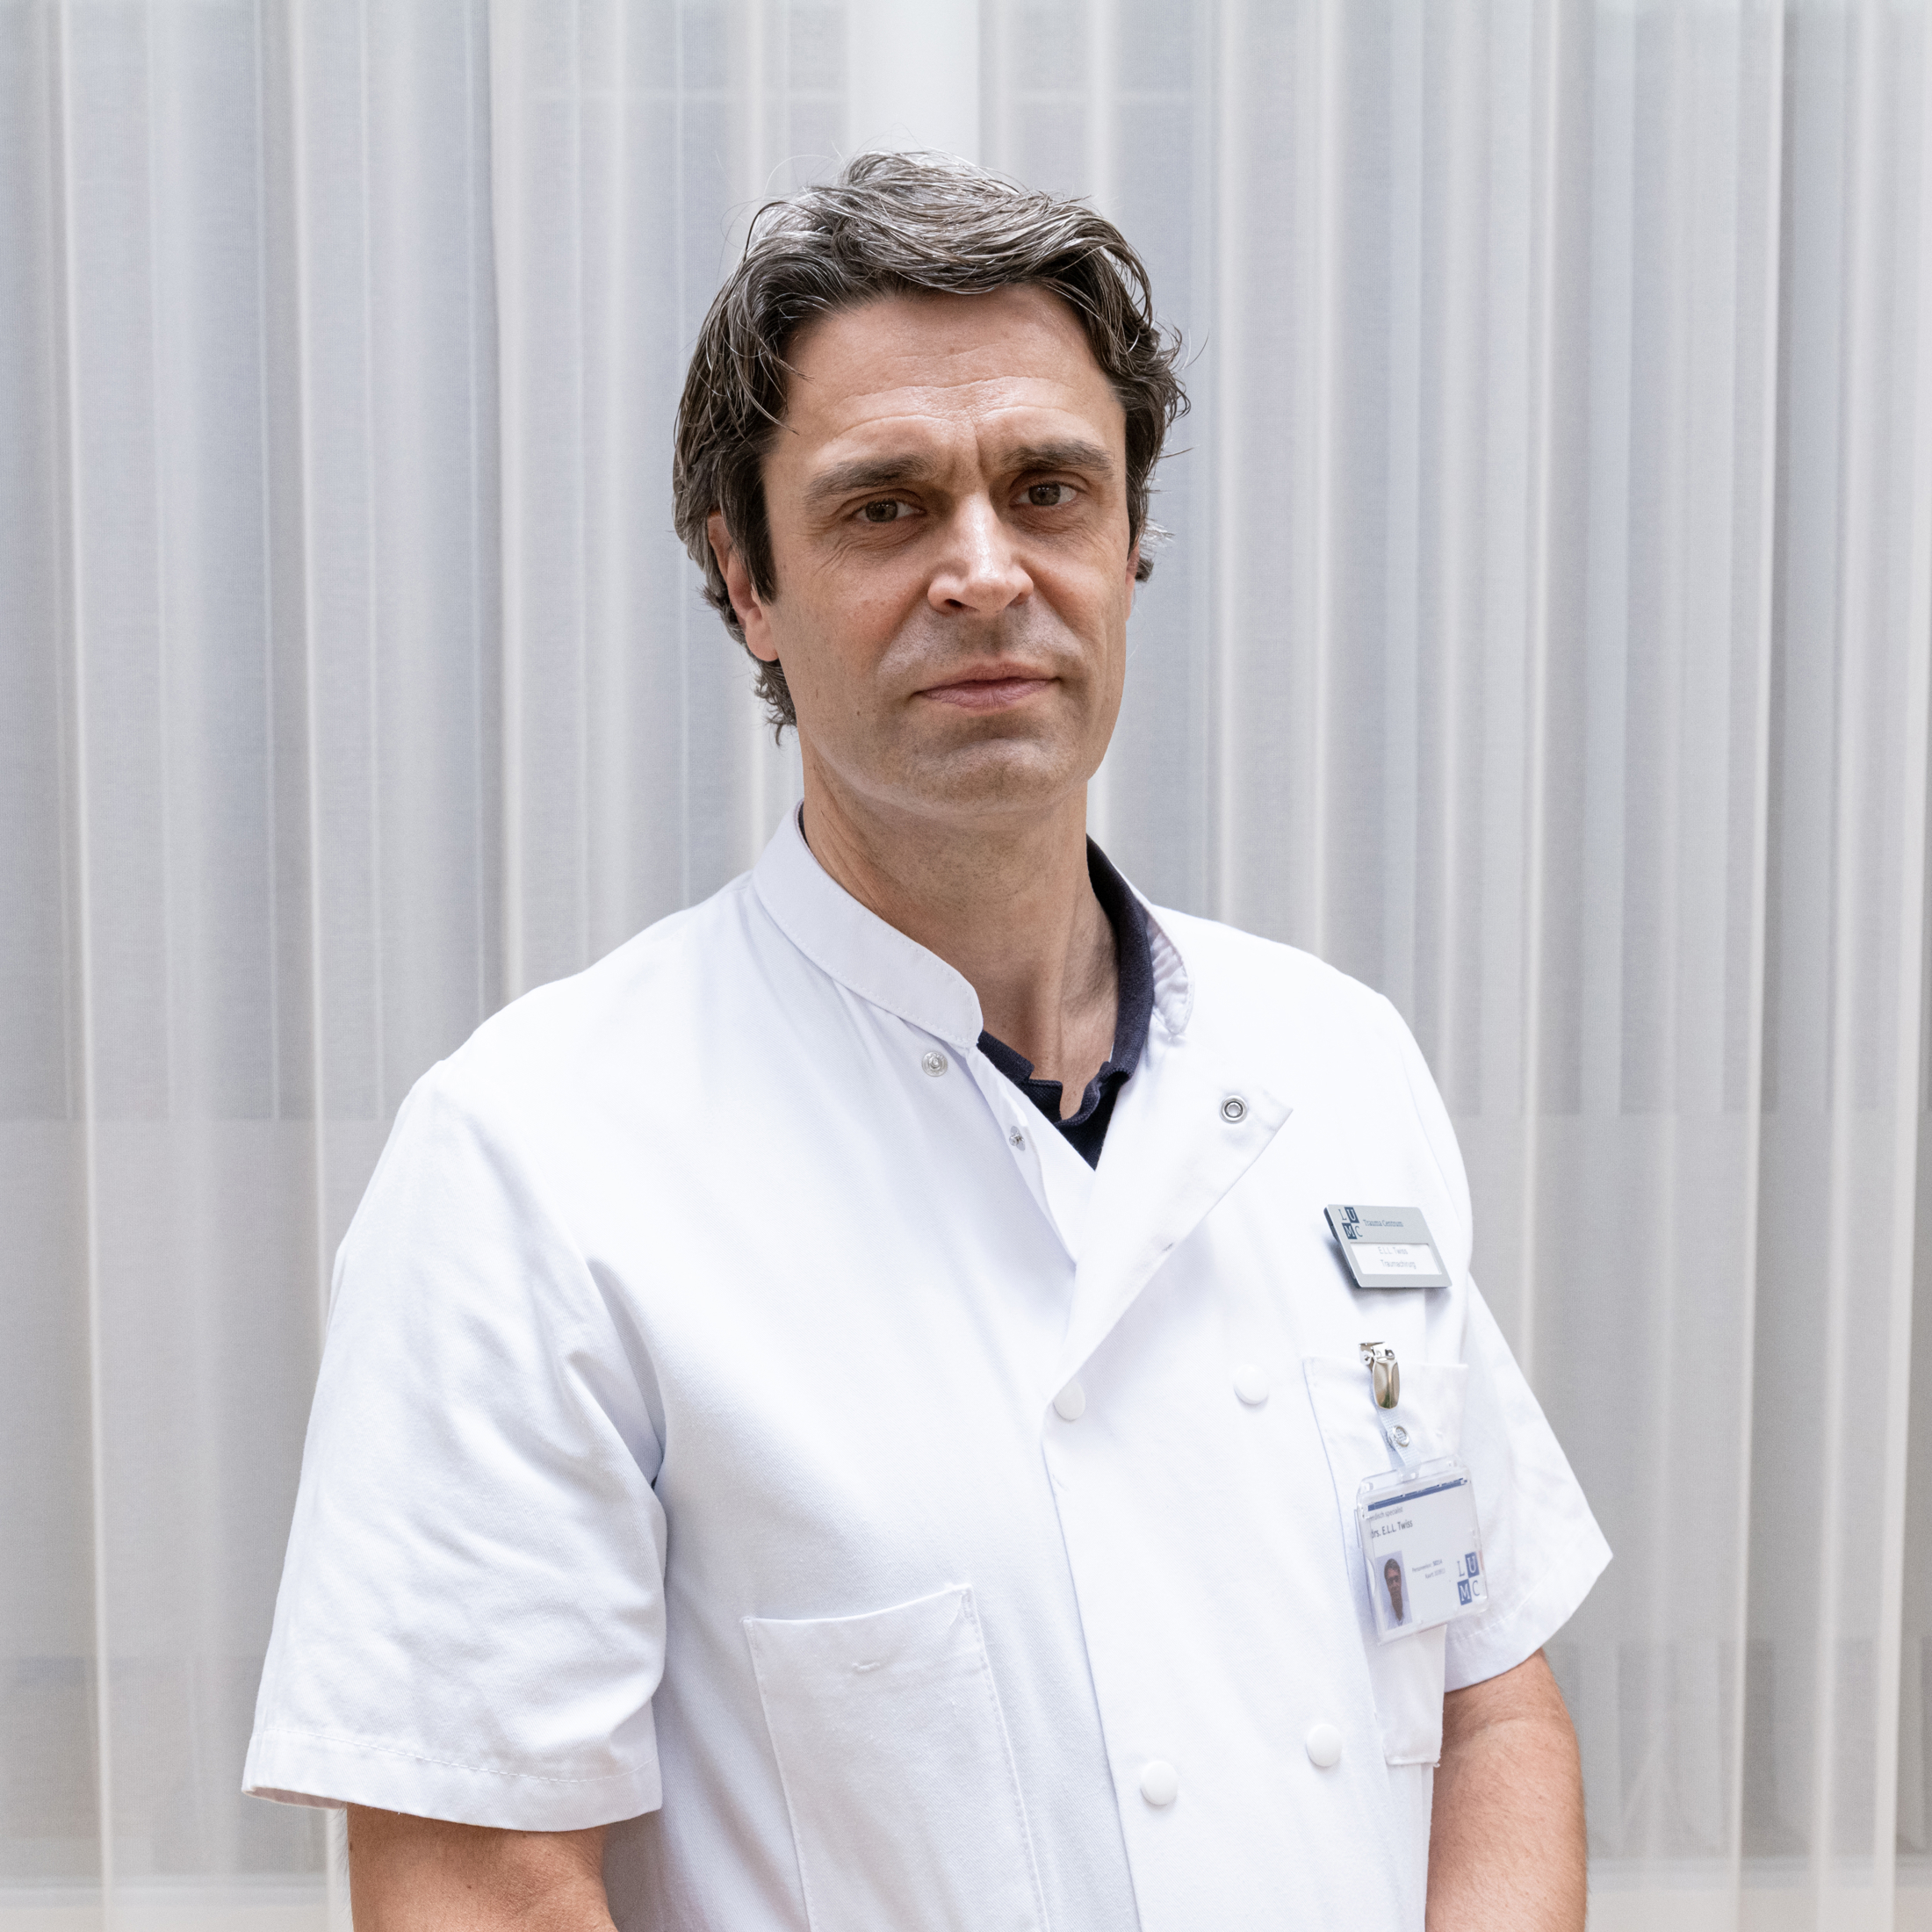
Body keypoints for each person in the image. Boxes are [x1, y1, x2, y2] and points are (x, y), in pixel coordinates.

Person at [244, 152, 1609, 1931]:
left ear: (1127, 543)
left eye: (1048, 489)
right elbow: (474, 1879)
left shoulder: (1335, 1063)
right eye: (884, 508)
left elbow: (1488, 1700)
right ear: (746, 579)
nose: (984, 570)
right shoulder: (533, 1159)